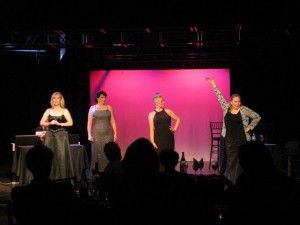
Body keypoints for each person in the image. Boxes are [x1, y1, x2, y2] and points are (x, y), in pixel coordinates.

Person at [206, 77, 261, 184]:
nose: (237, 103)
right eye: (235, 101)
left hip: (242, 139)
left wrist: (249, 127)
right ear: (231, 102)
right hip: (229, 140)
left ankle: (242, 182)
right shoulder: (226, 107)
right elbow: (220, 97)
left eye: (239, 101)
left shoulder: (244, 110)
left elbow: (257, 116)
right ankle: (231, 183)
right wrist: (214, 84)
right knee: (231, 161)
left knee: (241, 161)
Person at [10, 144, 79, 225]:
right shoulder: (65, 191)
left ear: (29, 167)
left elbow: (18, 217)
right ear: (50, 166)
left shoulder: (20, 194)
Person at [40, 91, 74, 180]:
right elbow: (41, 122)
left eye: (58, 98)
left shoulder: (64, 110)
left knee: (61, 155)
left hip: (61, 135)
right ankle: (49, 177)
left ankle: (63, 177)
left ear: (60, 100)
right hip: (50, 134)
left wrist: (60, 124)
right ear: (52, 100)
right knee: (49, 155)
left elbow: (70, 123)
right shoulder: (48, 110)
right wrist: (49, 122)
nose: (56, 100)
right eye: (54, 98)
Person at [87, 91, 117, 172]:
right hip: (96, 134)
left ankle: (108, 171)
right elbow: (89, 123)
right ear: (97, 98)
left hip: (108, 133)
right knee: (97, 153)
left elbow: (113, 121)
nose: (104, 99)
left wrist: (115, 133)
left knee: (107, 152)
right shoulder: (92, 108)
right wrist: (89, 135)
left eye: (104, 97)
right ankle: (97, 173)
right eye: (102, 97)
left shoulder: (109, 107)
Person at [148, 92, 181, 160]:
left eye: (163, 100)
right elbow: (151, 129)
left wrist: (175, 128)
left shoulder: (168, 111)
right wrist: (152, 141)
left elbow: (178, 119)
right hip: (158, 139)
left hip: (169, 138)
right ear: (156, 103)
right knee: (159, 157)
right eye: (161, 101)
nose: (163, 102)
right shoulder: (151, 114)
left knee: (169, 156)